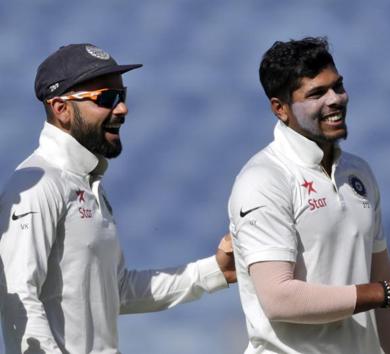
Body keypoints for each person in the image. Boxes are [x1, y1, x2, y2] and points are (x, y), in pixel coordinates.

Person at [0, 43, 236, 354]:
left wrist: (213, 272)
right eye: (106, 99)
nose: (122, 109)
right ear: (61, 109)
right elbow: (17, 295)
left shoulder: (88, 183)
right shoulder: (38, 185)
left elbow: (118, 289)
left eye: (121, 97)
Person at [227, 36, 390, 354]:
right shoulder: (263, 180)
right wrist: (386, 293)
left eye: (338, 86)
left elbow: (383, 282)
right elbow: (278, 299)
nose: (335, 99)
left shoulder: (358, 173)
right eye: (317, 93)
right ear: (280, 109)